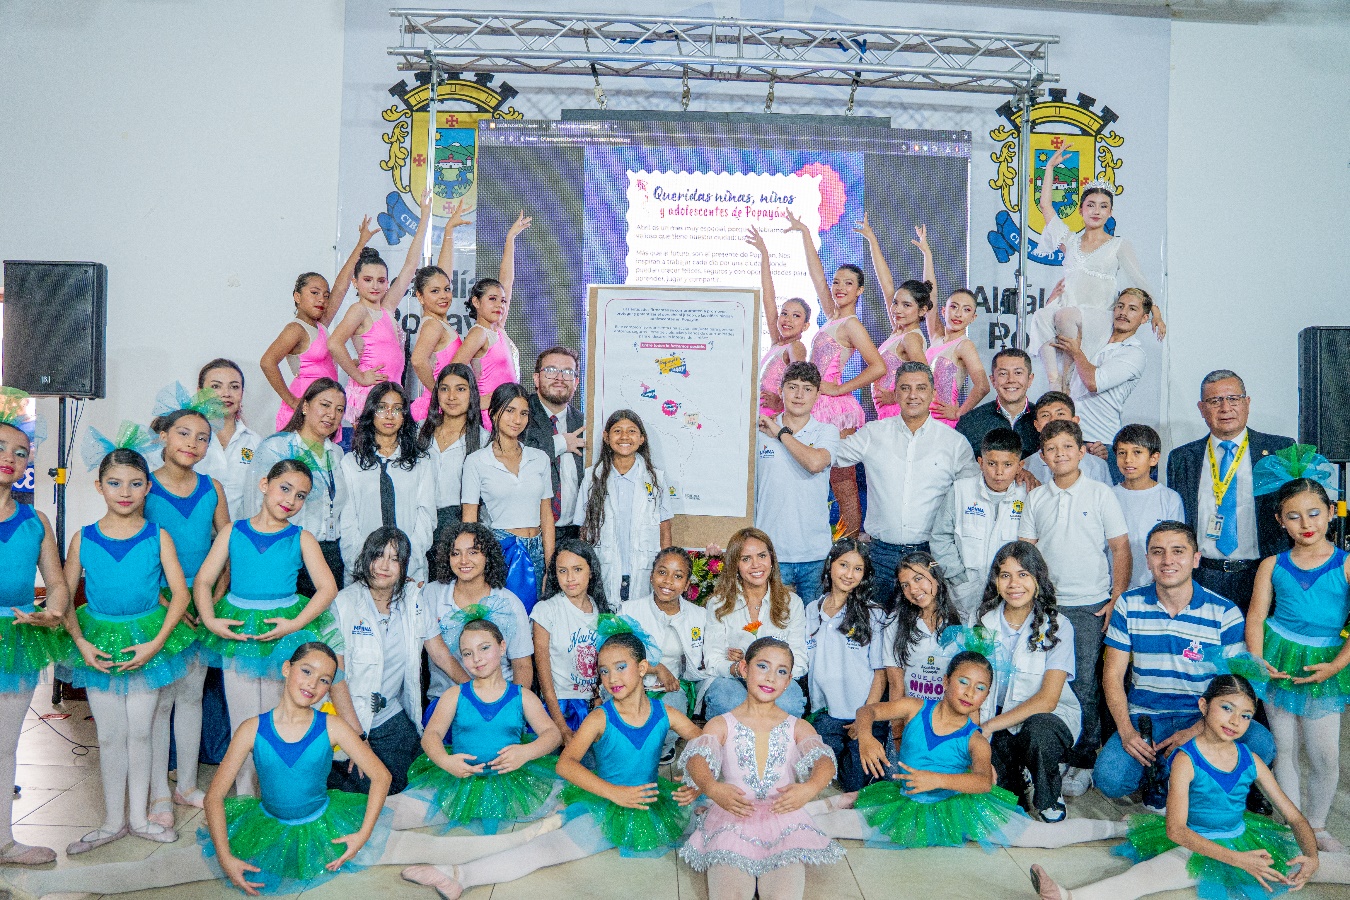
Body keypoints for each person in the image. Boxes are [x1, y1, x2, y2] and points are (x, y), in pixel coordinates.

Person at [10, 643, 564, 898]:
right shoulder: (252, 728)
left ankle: (539, 834)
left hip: (329, 825)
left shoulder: (334, 726)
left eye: (325, 680)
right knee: (167, 871)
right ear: (287, 671)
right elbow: (215, 795)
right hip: (267, 828)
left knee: (438, 850)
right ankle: (53, 888)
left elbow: (377, 777)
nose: (314, 685)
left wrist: (363, 832)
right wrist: (226, 854)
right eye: (307, 672)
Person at [400, 628, 703, 898]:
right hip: (605, 804)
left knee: (716, 816)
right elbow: (565, 765)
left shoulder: (666, 714)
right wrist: (614, 794)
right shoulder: (600, 718)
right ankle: (459, 875)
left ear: (643, 668)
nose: (611, 679)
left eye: (620, 668)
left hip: (652, 804)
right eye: (604, 671)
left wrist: (695, 781)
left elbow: (705, 743)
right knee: (546, 850)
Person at [1031, 675, 1350, 900]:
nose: (1235, 721)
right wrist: (1239, 860)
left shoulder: (1250, 758)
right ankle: (1066, 895)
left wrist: (1312, 857)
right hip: (1194, 844)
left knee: (1329, 866)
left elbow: (1295, 818)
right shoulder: (1186, 759)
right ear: (1203, 706)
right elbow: (1177, 831)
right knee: (1143, 879)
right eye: (1227, 708)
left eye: (1246, 715)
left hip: (1242, 837)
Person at [812, 651, 1125, 850]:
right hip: (904, 803)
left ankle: (1119, 827)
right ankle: (771, 826)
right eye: (963, 681)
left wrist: (936, 780)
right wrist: (866, 737)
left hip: (961, 809)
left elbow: (982, 781)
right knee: (827, 827)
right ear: (946, 681)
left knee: (1044, 839)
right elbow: (868, 711)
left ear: (986, 696)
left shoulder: (974, 737)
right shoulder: (914, 707)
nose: (970, 692)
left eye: (980, 688)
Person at [59, 437, 196, 852]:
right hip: (98, 641)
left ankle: (139, 817)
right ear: (99, 486)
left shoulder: (159, 536)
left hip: (145, 641)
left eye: (135, 483)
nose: (125, 493)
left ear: (148, 487)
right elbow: (64, 596)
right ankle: (111, 820)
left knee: (141, 733)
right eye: (115, 483)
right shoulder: (83, 538)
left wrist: (154, 645)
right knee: (109, 735)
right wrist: (80, 643)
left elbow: (181, 595)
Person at [1095, 522, 1276, 812]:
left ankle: (1182, 780)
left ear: (1195, 558)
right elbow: (1112, 676)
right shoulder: (1129, 605)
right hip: (1147, 720)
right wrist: (1127, 731)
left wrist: (1198, 728)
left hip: (1202, 716)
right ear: (1148, 560)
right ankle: (1169, 775)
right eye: (1158, 552)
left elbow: (1236, 687)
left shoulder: (1224, 612)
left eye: (1178, 551)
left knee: (1261, 743)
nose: (1167, 560)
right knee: (1110, 779)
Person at [194, 457, 341, 795]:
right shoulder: (233, 531)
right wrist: (212, 620)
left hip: (284, 637)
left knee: (281, 721)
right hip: (241, 633)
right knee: (244, 723)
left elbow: (327, 588)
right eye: (285, 489)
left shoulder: (302, 537)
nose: (290, 500)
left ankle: (276, 797)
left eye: (301, 496)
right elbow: (203, 581)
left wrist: (295, 624)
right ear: (264, 485)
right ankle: (245, 797)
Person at [681, 637, 844, 900]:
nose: (770, 678)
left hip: (783, 820)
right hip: (733, 818)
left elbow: (823, 761)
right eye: (763, 666)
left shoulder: (797, 726)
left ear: (788, 681)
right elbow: (697, 758)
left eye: (781, 671)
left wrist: (810, 788)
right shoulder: (722, 723)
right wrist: (711, 787)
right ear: (744, 669)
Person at [1019, 418, 1131, 796]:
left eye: (1067, 447)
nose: (1060, 454)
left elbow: (1120, 548)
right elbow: (1027, 554)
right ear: (1043, 457)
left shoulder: (1101, 494)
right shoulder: (1036, 498)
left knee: (1084, 684)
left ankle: (1083, 759)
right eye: (1051, 449)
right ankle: (1054, 753)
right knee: (1043, 682)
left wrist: (1117, 596)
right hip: (1045, 607)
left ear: (1081, 451)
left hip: (1089, 606)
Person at [1246, 478, 1350, 852]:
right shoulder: (1272, 565)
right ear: (1279, 520)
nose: (1306, 523)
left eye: (1314, 513)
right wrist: (1258, 662)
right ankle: (1295, 823)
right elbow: (1256, 616)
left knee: (1324, 754)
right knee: (1284, 747)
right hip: (1279, 659)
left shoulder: (1347, 563)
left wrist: (1336, 666)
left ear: (1330, 513)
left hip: (1325, 664)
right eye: (1294, 516)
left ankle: (1318, 825)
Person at [397, 610, 561, 833]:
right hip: (460, 782)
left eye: (484, 648)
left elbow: (553, 734)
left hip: (510, 784)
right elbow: (431, 736)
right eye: (467, 653)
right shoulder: (454, 695)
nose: (477, 658)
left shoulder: (522, 696)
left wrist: (526, 752)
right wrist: (446, 762)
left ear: (502, 647)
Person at [146, 391, 231, 819]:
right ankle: (159, 788)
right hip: (161, 606)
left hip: (201, 609)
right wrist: (165, 601)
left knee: (192, 696)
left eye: (202, 438)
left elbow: (226, 546)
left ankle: (187, 785)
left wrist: (211, 601)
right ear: (164, 435)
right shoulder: (145, 485)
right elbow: (139, 545)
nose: (192, 444)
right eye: (184, 433)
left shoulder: (212, 488)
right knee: (162, 699)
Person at [830, 361, 978, 590]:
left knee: (926, 625)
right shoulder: (873, 433)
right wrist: (790, 433)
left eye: (920, 388)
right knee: (876, 621)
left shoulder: (954, 443)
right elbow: (829, 456)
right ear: (896, 393)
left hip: (929, 555)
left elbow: (974, 492)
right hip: (880, 555)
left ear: (933, 393)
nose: (913, 395)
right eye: (905, 388)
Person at [785, 206, 886, 538]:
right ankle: (826, 538)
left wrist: (840, 389)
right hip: (814, 401)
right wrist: (804, 234)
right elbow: (816, 275)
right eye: (837, 282)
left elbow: (878, 366)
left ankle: (853, 541)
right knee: (815, 473)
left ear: (859, 291)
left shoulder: (852, 324)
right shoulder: (832, 316)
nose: (839, 287)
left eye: (848, 283)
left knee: (841, 476)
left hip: (832, 406)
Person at [329, 528, 451, 795]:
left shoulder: (413, 599)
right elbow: (335, 679)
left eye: (394, 559)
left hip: (389, 714)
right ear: (365, 559)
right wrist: (357, 740)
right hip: (348, 719)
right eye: (378, 556)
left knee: (416, 783)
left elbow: (440, 653)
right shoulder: (343, 604)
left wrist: (480, 688)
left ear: (404, 565)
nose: (384, 566)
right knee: (360, 791)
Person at [1030, 148, 1163, 392]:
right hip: (1069, 309)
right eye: (1090, 205)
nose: (1096, 211)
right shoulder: (1069, 241)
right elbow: (1045, 205)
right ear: (1080, 209)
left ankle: (1068, 381)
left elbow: (1139, 280)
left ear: (1110, 212)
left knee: (1065, 316)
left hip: (1098, 315)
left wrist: (1155, 311)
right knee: (1041, 316)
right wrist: (1049, 169)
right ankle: (1054, 384)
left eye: (1103, 206)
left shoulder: (1118, 245)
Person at [0, 391, 69, 865]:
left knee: (5, 744)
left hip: (17, 637)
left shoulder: (36, 519)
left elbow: (59, 584)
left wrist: (56, 612)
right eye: (1, 447)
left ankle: (3, 839)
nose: (9, 458)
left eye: (20, 452)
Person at [1166, 369, 1295, 615]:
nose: (1225, 408)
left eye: (1233, 399)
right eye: (1215, 401)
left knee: (1257, 651)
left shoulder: (1280, 450)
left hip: (1263, 575)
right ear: (1202, 409)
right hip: (1203, 577)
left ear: (1247, 403)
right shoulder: (1182, 458)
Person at [974, 541, 1081, 823]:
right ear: (995, 582)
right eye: (1005, 575)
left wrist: (989, 727)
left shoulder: (1058, 626)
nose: (1014, 584)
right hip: (995, 719)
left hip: (1046, 719)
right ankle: (1021, 772)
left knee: (1038, 732)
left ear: (1037, 579)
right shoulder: (982, 623)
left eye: (1023, 574)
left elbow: (1048, 700)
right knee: (1003, 805)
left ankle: (1049, 792)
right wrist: (975, 729)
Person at [329, 197, 432, 430]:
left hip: (392, 392)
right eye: (367, 280)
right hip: (370, 393)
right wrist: (359, 376)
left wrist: (425, 215)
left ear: (387, 283)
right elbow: (334, 342)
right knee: (368, 451)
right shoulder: (359, 310)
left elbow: (409, 267)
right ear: (355, 282)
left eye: (381, 280)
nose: (375, 286)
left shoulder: (386, 308)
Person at [248, 377, 349, 593]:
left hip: (330, 553)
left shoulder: (338, 454)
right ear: (305, 406)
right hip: (285, 549)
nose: (332, 415)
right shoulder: (277, 447)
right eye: (325, 405)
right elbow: (255, 504)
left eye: (339, 410)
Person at [804, 539, 888, 792]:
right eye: (843, 565)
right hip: (826, 715)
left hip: (861, 715)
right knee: (823, 781)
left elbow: (880, 674)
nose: (849, 574)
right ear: (830, 565)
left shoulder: (873, 614)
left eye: (858, 569)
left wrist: (866, 721)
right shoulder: (811, 610)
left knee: (856, 785)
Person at [462, 383, 555, 608]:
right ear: (494, 414)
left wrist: (550, 565)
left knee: (538, 619)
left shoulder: (539, 458)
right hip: (501, 550)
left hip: (538, 550)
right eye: (510, 411)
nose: (517, 419)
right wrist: (474, 564)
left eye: (523, 413)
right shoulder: (476, 461)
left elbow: (546, 516)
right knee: (502, 619)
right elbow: (469, 520)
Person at [754, 361, 840, 601]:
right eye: (793, 387)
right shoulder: (760, 430)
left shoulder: (826, 432)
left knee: (810, 631)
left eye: (807, 388)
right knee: (772, 632)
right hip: (770, 553)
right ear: (781, 390)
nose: (799, 395)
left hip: (814, 554)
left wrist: (781, 433)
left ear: (817, 394)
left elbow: (815, 463)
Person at [702, 528, 808, 719]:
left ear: (772, 560)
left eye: (761, 556)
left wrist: (772, 672)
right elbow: (712, 660)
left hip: (776, 678)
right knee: (729, 700)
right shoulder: (718, 603)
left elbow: (799, 660)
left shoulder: (792, 603)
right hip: (731, 679)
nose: (756, 565)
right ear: (735, 565)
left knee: (788, 702)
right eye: (746, 559)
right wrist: (737, 668)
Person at [423, 523, 533, 705]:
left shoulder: (510, 602)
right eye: (456, 553)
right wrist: (476, 696)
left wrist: (512, 709)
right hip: (446, 701)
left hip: (499, 702)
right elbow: (438, 654)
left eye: (473, 552)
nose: (463, 560)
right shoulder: (430, 594)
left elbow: (522, 665)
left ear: (487, 556)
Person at [619, 547, 712, 761]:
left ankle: (661, 747)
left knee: (673, 706)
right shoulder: (629, 611)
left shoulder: (700, 616)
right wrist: (656, 668)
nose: (668, 581)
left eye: (678, 576)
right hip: (631, 682)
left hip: (670, 688)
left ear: (687, 584)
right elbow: (615, 657)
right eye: (662, 572)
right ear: (651, 576)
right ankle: (626, 749)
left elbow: (709, 658)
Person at [338, 382, 435, 585]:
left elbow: (426, 519)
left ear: (404, 415)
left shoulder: (420, 462)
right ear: (371, 412)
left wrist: (406, 562)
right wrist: (364, 565)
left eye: (397, 409)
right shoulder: (350, 463)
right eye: (382, 407)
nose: (389, 415)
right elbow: (347, 523)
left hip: (410, 571)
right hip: (363, 571)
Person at [259, 243, 362, 432]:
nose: (322, 299)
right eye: (314, 293)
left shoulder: (320, 325)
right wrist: (291, 399)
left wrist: (360, 245)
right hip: (303, 412)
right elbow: (267, 362)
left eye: (325, 295)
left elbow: (340, 288)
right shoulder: (296, 329)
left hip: (325, 409)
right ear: (297, 297)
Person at [574, 409, 673, 604]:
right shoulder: (592, 477)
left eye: (632, 431)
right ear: (606, 437)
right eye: (617, 431)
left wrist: (665, 570)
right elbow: (584, 532)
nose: (625, 437)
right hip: (605, 568)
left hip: (643, 569)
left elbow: (665, 530)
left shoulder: (656, 480)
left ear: (642, 438)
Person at [931, 427, 1029, 622]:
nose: (999, 472)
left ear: (1020, 466)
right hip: (964, 594)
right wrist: (959, 578)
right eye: (992, 464)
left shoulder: (1028, 496)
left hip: (1012, 593)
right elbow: (940, 537)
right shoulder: (961, 491)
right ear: (980, 462)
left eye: (1008, 464)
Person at [1057, 287, 1154, 476]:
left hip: (1100, 442)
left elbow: (1093, 382)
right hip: (1068, 438)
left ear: (1144, 318)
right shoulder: (1096, 336)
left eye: (1132, 309)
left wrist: (1077, 352)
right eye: (1120, 306)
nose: (1123, 313)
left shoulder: (1134, 353)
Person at [530, 540, 613, 743]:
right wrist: (562, 727)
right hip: (559, 707)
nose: (569, 579)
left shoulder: (602, 611)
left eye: (577, 569)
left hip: (596, 706)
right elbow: (544, 679)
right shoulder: (546, 610)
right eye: (562, 571)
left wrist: (599, 702)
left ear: (591, 571)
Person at [856, 214, 932, 420]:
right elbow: (886, 284)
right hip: (887, 415)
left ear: (922, 310)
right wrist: (872, 239)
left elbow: (925, 379)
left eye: (906, 305)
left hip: (899, 415)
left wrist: (898, 396)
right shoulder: (900, 331)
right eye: (896, 303)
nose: (897, 309)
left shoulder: (911, 338)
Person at [410, 200, 472, 422]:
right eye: (434, 291)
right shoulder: (433, 325)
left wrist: (448, 232)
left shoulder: (438, 320)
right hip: (437, 412)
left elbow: (443, 272)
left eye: (447, 289)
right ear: (420, 296)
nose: (444, 295)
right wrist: (441, 394)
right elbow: (418, 361)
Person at [418, 363, 484, 564]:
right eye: (445, 389)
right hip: (418, 526)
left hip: (459, 529)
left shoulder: (483, 440)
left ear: (472, 393)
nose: (451, 396)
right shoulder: (419, 432)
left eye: (460, 389)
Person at [879, 551, 963, 702]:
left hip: (950, 716)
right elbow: (895, 683)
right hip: (912, 715)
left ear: (936, 578)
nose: (913, 590)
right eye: (905, 585)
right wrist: (898, 724)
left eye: (918, 579)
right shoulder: (895, 621)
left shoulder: (962, 619)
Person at [745, 225, 810, 416]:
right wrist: (764, 254)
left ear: (805, 326)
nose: (787, 319)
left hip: (773, 420)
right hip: (757, 416)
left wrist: (781, 403)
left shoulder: (796, 347)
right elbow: (768, 299)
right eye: (784, 313)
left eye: (796, 316)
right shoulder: (777, 343)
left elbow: (802, 382)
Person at [1112, 424, 1184, 589]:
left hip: (1155, 586)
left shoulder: (1169, 498)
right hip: (1113, 588)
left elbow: (1174, 545)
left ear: (1154, 458)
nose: (1128, 459)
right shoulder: (1107, 496)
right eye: (1122, 453)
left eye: (1137, 452)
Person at [524, 346, 584, 543]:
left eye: (567, 372)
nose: (559, 377)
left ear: (576, 382)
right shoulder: (520, 414)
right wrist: (560, 443)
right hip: (530, 532)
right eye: (550, 370)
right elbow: (517, 455)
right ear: (536, 379)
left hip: (576, 534)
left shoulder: (584, 423)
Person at [195, 358, 261, 520]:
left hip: (240, 538)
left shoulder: (256, 443)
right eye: (216, 386)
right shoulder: (185, 439)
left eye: (234, 387)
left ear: (242, 393)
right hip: (193, 538)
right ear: (199, 392)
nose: (226, 394)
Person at [451, 277, 519, 430]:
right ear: (476, 302)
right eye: (492, 299)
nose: (499, 305)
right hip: (491, 415)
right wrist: (476, 401)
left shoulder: (499, 330)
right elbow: (452, 373)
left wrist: (509, 251)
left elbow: (508, 280)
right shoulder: (479, 334)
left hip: (509, 410)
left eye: (502, 301)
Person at [956, 347, 1039, 460]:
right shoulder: (971, 421)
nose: (1011, 380)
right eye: (1003, 373)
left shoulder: (1041, 419)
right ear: (993, 380)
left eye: (1018, 373)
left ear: (1030, 379)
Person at [1021, 392, 1112, 486]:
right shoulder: (1025, 467)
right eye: (1045, 415)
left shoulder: (1096, 465)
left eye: (1060, 413)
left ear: (1075, 421)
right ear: (1037, 425)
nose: (1053, 420)